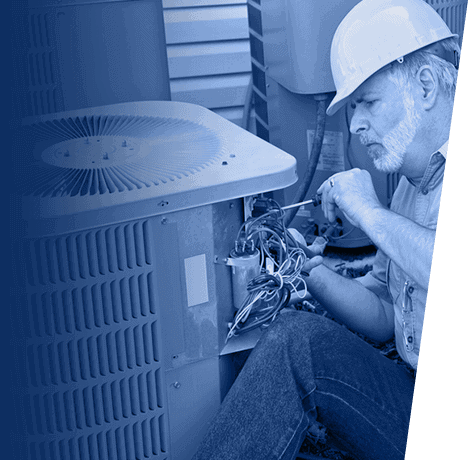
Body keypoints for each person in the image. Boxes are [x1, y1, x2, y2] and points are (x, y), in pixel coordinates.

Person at [192, 0, 461, 459]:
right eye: (352, 108)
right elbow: (386, 316)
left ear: (426, 84)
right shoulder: (409, 189)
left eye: (367, 103)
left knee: (296, 345)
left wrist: (369, 212)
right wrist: (307, 273)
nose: (355, 126)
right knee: (296, 338)